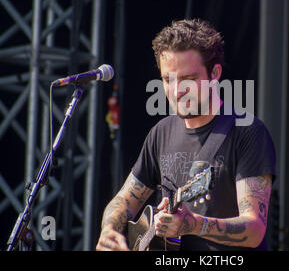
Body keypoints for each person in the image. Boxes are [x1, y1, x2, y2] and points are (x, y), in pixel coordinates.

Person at [96, 19, 276, 251]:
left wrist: (194, 225)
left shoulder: (248, 132)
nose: (176, 90)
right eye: (167, 79)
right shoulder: (161, 132)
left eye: (187, 79)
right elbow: (123, 201)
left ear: (215, 73)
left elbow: (254, 230)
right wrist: (109, 230)